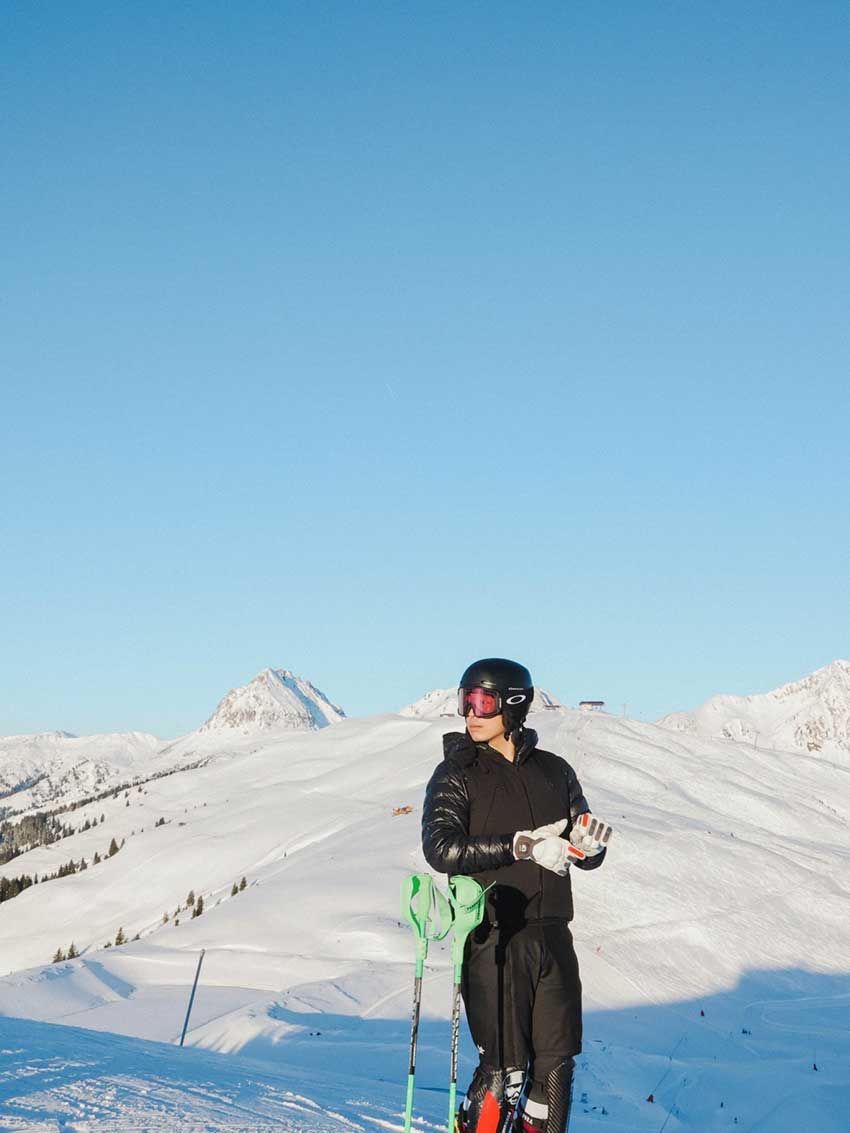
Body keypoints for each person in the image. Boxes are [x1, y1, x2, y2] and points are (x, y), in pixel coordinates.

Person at [421, 658, 612, 1133]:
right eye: (465, 700)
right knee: (503, 1071)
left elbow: (578, 838)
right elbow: (440, 847)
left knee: (555, 1069)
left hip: (552, 933)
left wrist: (588, 849)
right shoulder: (456, 774)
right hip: (493, 938)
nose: (471, 713)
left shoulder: (555, 772)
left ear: (514, 705)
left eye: (482, 701)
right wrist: (517, 846)